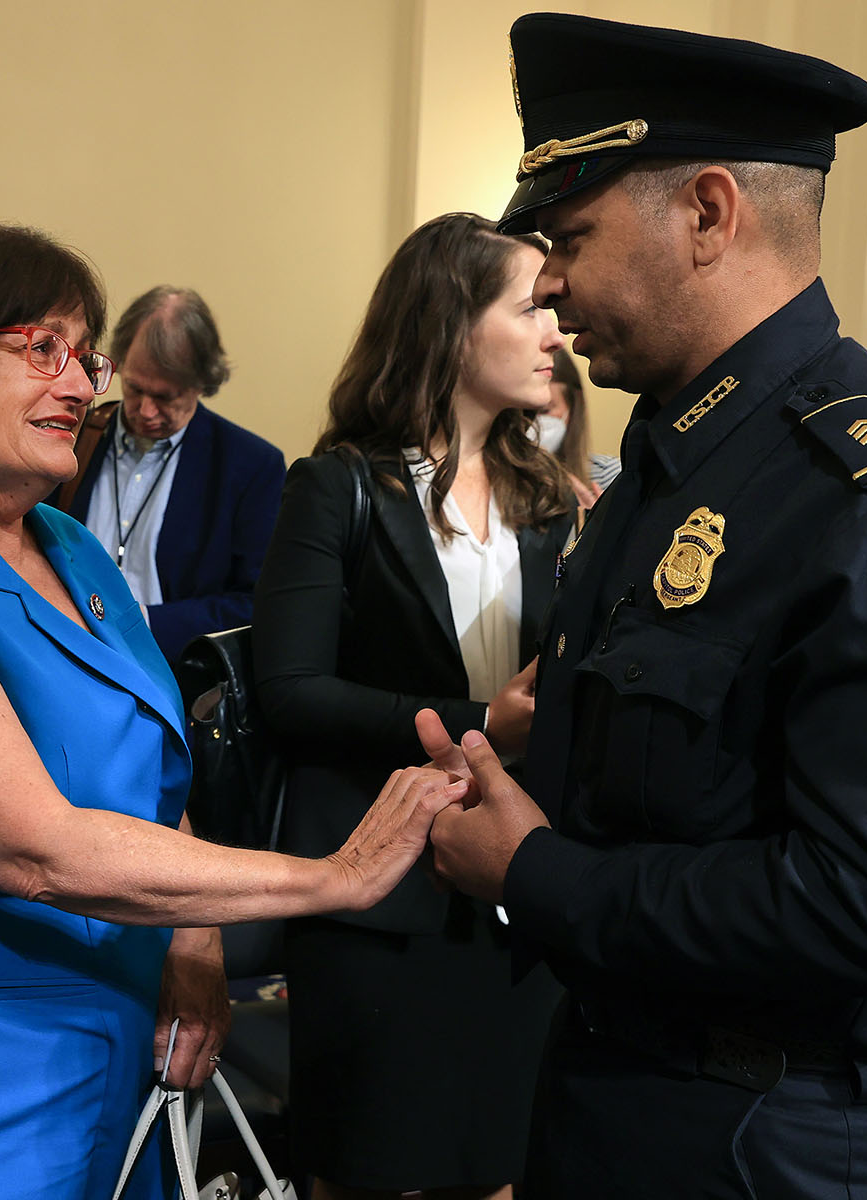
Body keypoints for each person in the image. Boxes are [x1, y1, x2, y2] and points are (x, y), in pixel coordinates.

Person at [0, 222, 468, 1198]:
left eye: (84, 354)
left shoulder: (70, 546)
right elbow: (33, 848)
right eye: (41, 350)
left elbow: (149, 778)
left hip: (120, 1036)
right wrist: (334, 877)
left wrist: (192, 942)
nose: (80, 385)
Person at [423, 13, 867, 1197]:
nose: (547, 285)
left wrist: (538, 873)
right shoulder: (664, 470)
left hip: (787, 1137)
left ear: (709, 214)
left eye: (571, 237)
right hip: (621, 1095)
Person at [253, 213, 572, 1200]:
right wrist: (483, 720)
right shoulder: (338, 486)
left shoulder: (552, 498)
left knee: (499, 1169)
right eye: (531, 307)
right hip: (377, 900)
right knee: (368, 1171)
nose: (557, 331)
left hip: (514, 896)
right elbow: (290, 693)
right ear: (453, 323)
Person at [58, 286, 286, 663]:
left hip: (178, 674)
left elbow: (258, 603)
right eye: (133, 389)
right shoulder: (76, 434)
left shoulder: (251, 466)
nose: (145, 411)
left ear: (201, 384)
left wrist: (143, 623)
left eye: (165, 397)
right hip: (70, 655)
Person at [538, 348, 621, 506]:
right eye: (524, 412)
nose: (531, 424)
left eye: (544, 411)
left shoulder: (609, 477)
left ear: (572, 407)